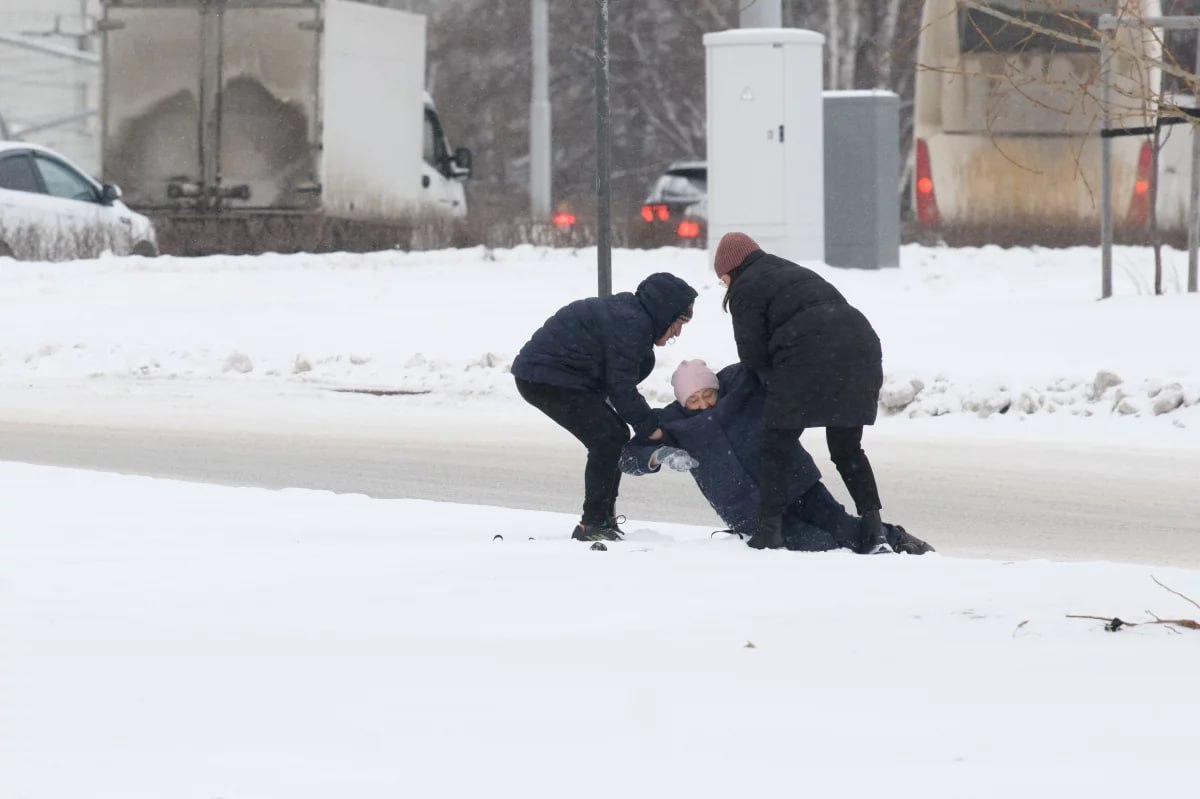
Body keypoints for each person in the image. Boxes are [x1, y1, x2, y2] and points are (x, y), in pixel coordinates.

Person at [619, 360, 933, 554]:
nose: (703, 405)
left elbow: (768, 359)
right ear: (681, 401)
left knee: (844, 530)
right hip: (748, 511)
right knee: (817, 545)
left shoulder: (742, 385)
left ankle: (896, 538)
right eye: (693, 400)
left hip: (796, 480)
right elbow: (628, 458)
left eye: (707, 395)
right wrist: (660, 454)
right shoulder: (674, 424)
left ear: (716, 387)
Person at [714, 232, 890, 553]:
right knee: (847, 449)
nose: (725, 287)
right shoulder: (790, 270)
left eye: (723, 282)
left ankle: (771, 530)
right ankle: (873, 527)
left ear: (729, 273)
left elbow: (752, 355)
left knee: (776, 446)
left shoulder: (745, 288)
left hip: (808, 354)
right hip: (860, 347)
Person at [512, 272, 698, 542]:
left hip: (558, 377)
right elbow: (621, 389)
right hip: (544, 378)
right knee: (606, 437)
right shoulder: (632, 323)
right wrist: (651, 429)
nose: (678, 332)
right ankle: (593, 523)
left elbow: (619, 384)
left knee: (614, 435)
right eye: (679, 321)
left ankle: (603, 519)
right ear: (664, 310)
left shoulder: (633, 318)